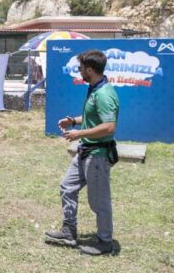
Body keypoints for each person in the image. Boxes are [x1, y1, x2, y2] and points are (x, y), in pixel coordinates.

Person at [44, 49, 119, 256]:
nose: (78, 71)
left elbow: (109, 127)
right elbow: (93, 117)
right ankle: (69, 231)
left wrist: (80, 133)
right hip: (85, 151)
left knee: (98, 201)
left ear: (90, 69)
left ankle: (105, 242)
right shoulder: (95, 88)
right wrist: (74, 121)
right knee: (67, 187)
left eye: (80, 68)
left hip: (97, 155)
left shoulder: (104, 94)